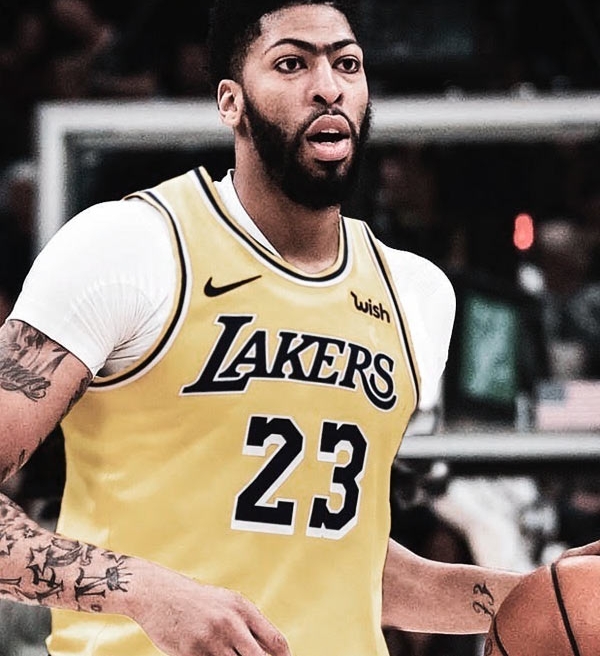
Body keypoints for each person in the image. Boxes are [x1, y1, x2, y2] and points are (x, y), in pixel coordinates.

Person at [0, 2, 527, 655]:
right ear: (231, 102)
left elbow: (343, 562)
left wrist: (544, 594)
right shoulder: (131, 246)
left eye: (347, 64)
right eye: (292, 64)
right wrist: (144, 591)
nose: (328, 86)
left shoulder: (416, 295)